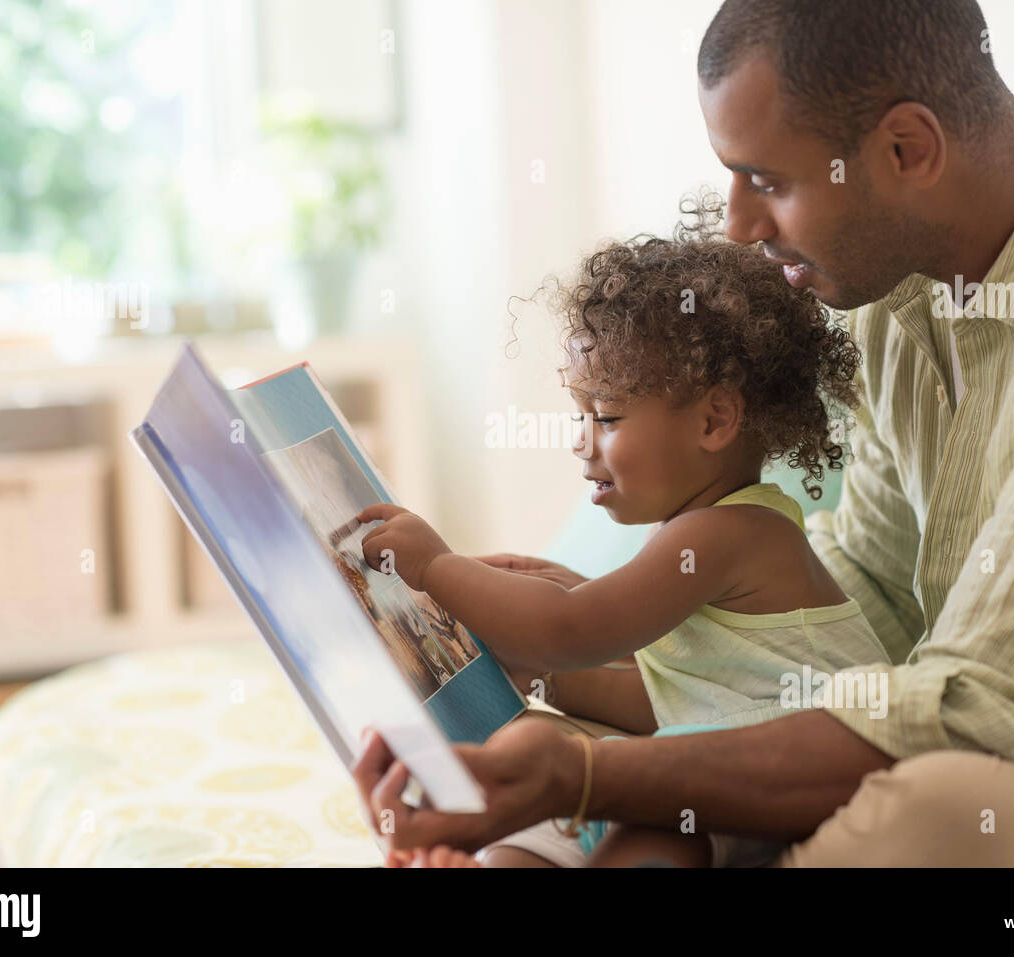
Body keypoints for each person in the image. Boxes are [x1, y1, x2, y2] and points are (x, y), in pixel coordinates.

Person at [354, 0, 1014, 867]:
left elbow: (983, 716)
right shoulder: (895, 288)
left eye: (767, 181)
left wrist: (592, 775)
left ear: (908, 149)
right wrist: (648, 639)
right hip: (937, 748)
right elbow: (874, 594)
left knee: (929, 813)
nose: (739, 226)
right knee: (547, 733)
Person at [356, 223, 892, 867]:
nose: (581, 442)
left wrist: (437, 566)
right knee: (543, 813)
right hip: (717, 755)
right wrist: (550, 676)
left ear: (715, 420)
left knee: (645, 827)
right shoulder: (699, 533)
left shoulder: (731, 534)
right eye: (580, 415)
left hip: (793, 773)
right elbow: (675, 693)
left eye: (606, 416)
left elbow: (569, 630)